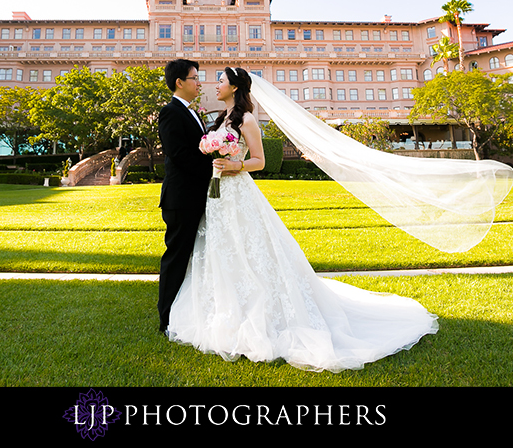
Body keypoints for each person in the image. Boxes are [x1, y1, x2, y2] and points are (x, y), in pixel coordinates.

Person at [167, 67, 443, 372]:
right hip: (217, 197)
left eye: (220, 81)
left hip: (238, 192)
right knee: (222, 249)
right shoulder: (220, 120)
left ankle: (261, 312)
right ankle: (220, 307)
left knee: (250, 249)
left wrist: (236, 165)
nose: (213, 85)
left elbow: (260, 160)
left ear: (234, 87)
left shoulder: (246, 119)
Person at [156, 59, 213, 334]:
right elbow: (178, 154)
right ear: (180, 82)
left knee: (195, 258)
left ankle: (186, 313)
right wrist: (214, 167)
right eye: (194, 77)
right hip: (181, 199)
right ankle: (166, 319)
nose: (198, 82)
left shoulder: (194, 113)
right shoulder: (170, 112)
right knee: (176, 258)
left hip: (196, 196)